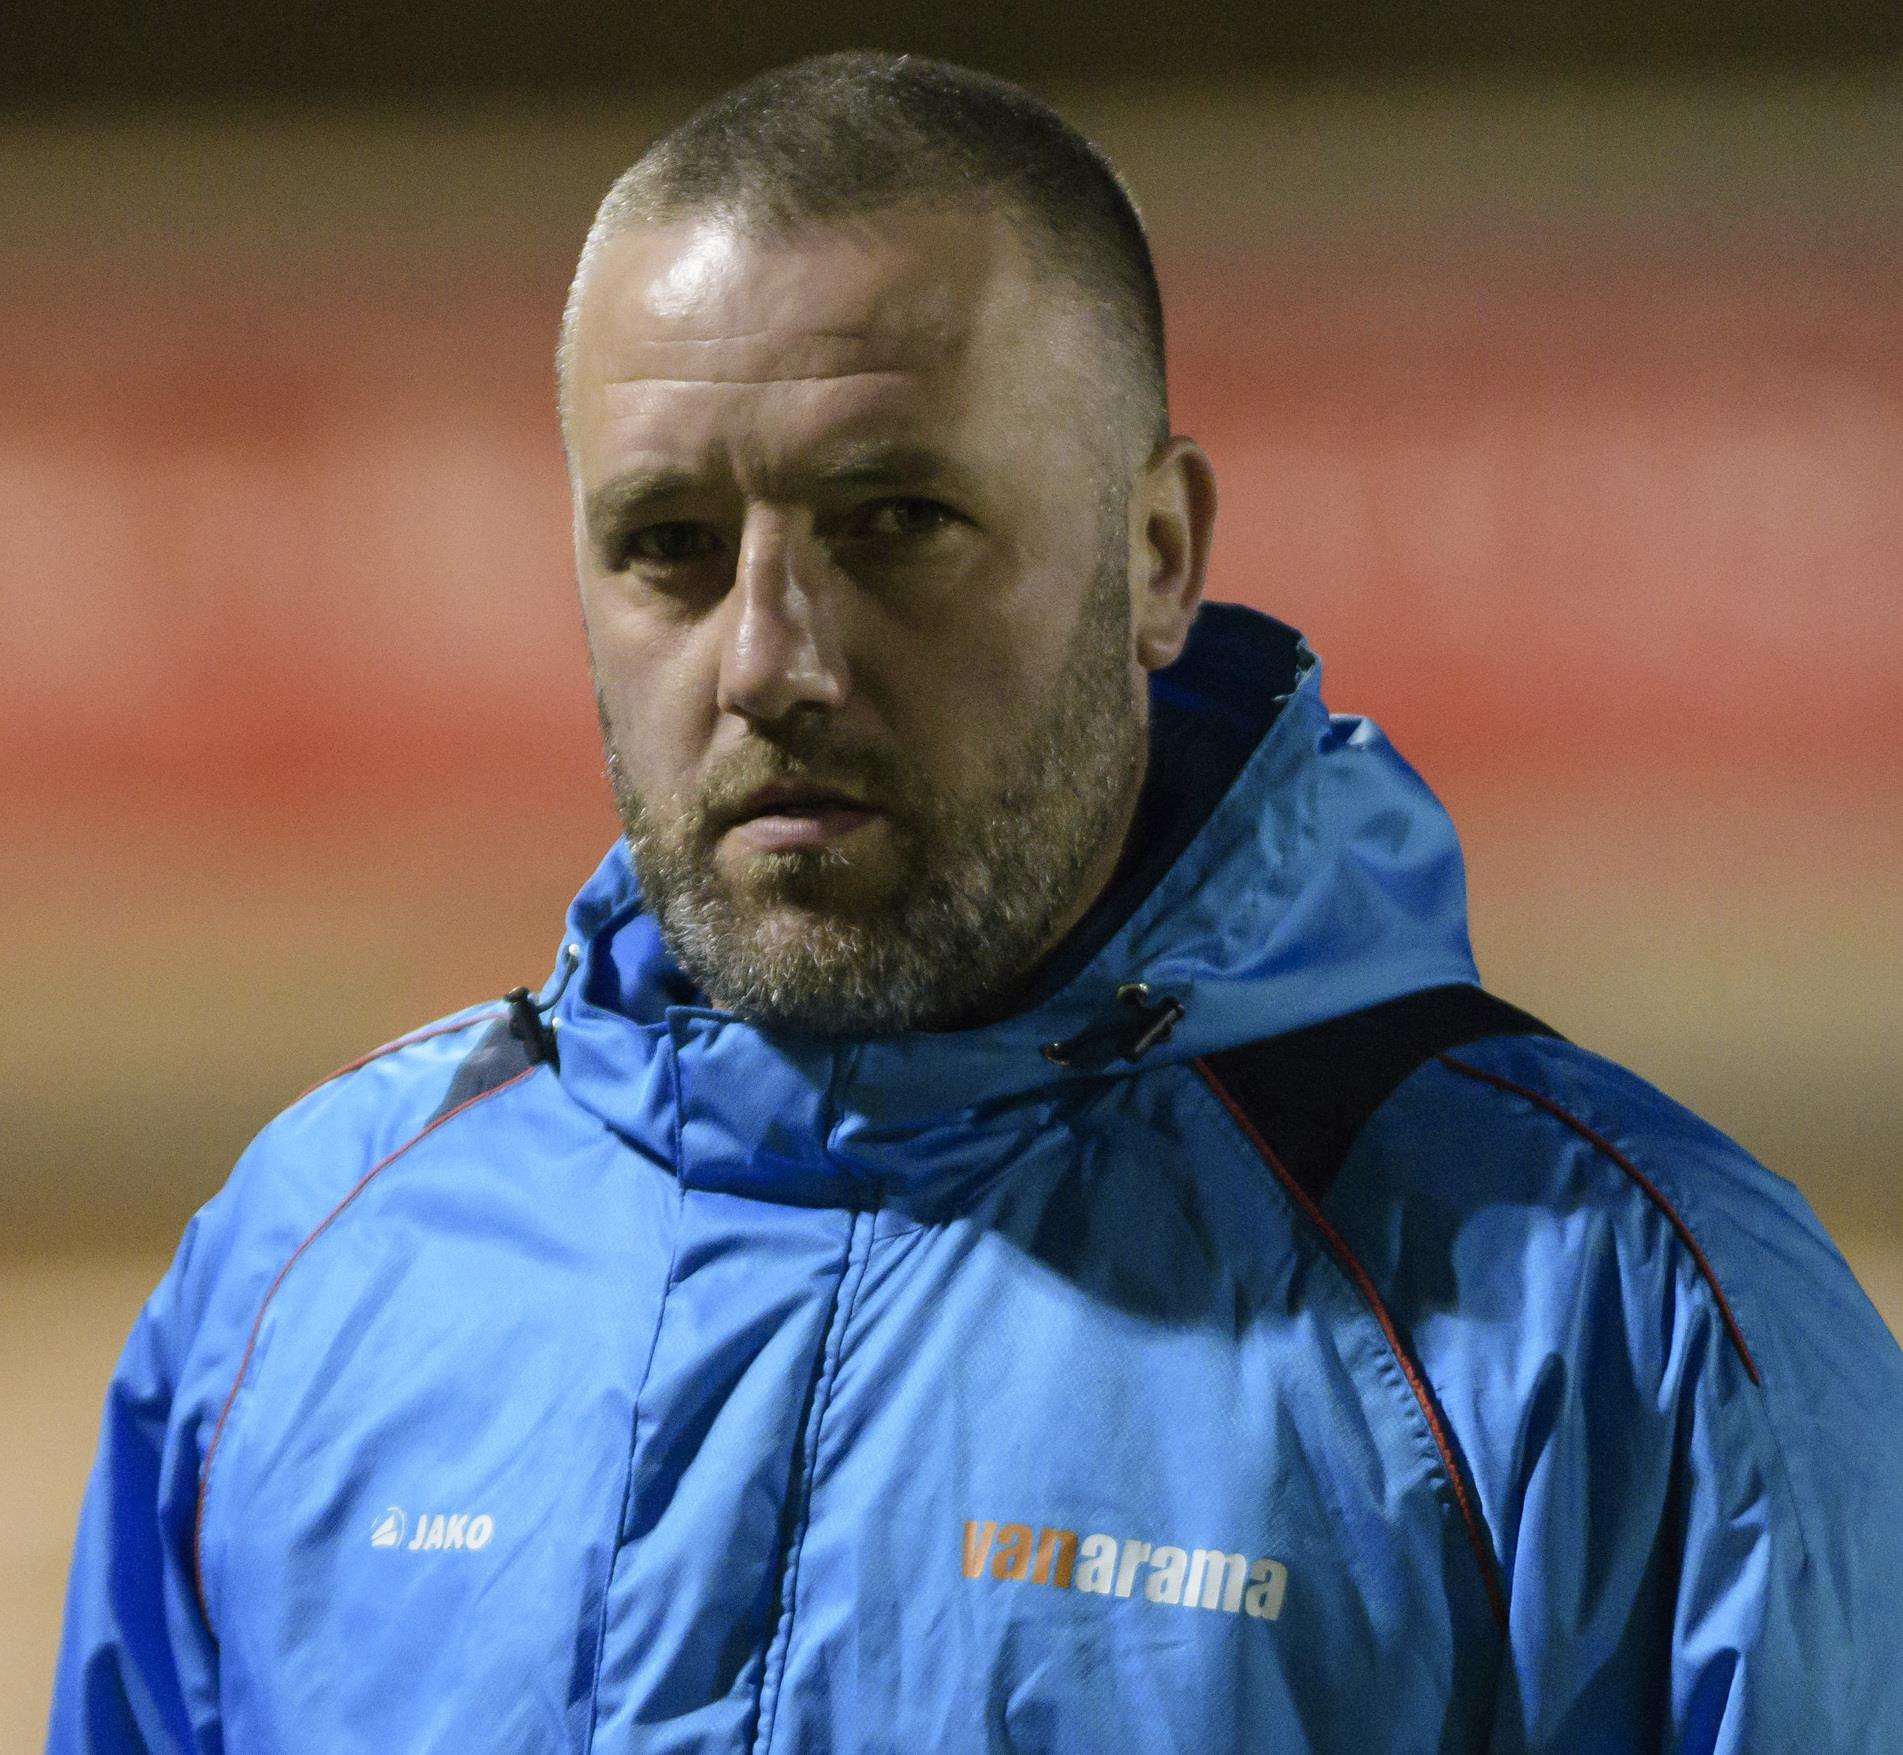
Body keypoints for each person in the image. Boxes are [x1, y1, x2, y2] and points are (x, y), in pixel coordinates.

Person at [49, 51, 1903, 1754]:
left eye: (893, 522)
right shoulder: (300, 1272)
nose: (767, 659)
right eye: (670, 550)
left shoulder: (1621, 1325)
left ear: (1156, 555)